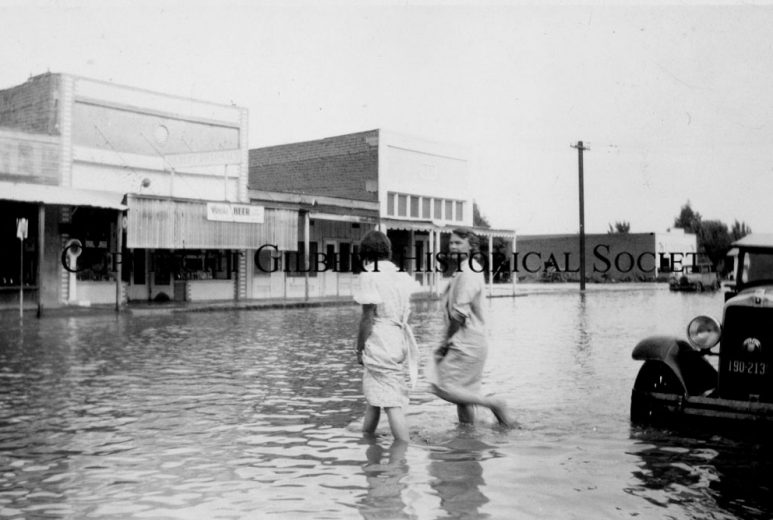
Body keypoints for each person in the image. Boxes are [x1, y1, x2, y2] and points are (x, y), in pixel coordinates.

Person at [430, 228, 512, 426]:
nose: (453, 247)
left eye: (458, 243)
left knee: (442, 386)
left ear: (471, 246)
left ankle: (493, 403)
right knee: (464, 394)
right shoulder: (464, 269)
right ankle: (468, 440)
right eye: (451, 243)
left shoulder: (468, 272)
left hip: (467, 341)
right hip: (471, 340)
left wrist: (445, 342)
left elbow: (459, 314)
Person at [353, 230, 419, 442]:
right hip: (398, 337)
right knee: (375, 397)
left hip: (380, 338)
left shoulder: (369, 274)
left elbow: (367, 318)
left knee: (391, 404)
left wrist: (359, 348)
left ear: (365, 252)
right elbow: (407, 310)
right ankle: (368, 440)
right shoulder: (399, 273)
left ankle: (402, 448)